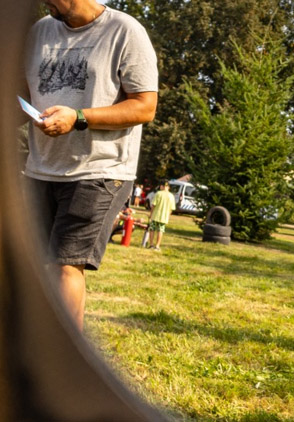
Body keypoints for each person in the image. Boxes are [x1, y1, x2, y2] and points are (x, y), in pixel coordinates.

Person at [23, 0, 158, 330]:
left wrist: (79, 117)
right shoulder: (39, 31)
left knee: (65, 265)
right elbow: (20, 92)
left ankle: (62, 358)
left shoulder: (124, 31)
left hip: (99, 170)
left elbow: (145, 107)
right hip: (41, 166)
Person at [147, 181, 176, 251]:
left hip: (155, 215)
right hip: (164, 217)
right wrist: (168, 216)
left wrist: (150, 214)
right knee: (160, 231)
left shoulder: (158, 193)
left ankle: (151, 245)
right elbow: (171, 209)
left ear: (161, 186)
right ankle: (157, 246)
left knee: (152, 229)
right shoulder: (171, 196)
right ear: (168, 187)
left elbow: (153, 205)